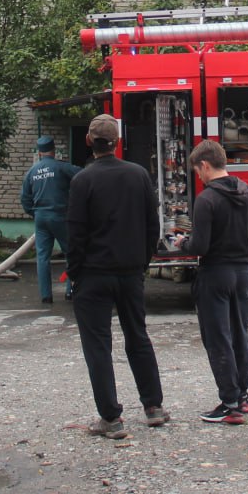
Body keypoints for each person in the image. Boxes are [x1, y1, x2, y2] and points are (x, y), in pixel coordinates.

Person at [66, 114, 169, 439]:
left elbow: (75, 235)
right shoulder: (138, 175)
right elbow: (154, 227)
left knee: (98, 346)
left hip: (94, 276)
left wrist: (76, 274)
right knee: (137, 336)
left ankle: (111, 418)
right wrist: (141, 263)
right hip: (129, 273)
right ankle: (153, 407)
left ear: (88, 141)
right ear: (118, 141)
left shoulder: (82, 181)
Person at [174, 139, 248, 425]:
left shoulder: (207, 200)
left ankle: (230, 403)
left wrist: (182, 242)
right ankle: (244, 395)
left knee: (218, 338)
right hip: (243, 272)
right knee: (239, 333)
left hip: (216, 274)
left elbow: (201, 246)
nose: (198, 176)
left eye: (198, 170)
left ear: (206, 165)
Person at [20, 135, 82, 304]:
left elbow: (25, 198)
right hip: (60, 216)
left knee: (42, 257)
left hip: (40, 217)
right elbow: (83, 175)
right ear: (54, 151)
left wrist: (34, 213)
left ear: (39, 153)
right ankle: (70, 290)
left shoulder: (31, 172)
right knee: (71, 253)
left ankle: (46, 296)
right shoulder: (61, 167)